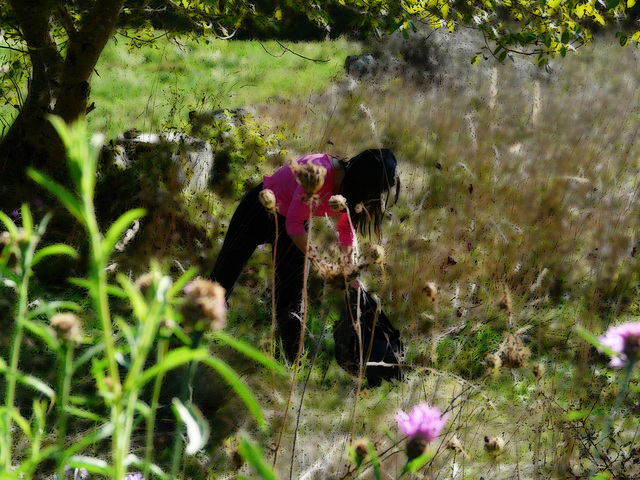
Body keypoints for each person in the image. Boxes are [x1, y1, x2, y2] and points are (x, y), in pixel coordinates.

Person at [211, 148, 399, 360]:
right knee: (221, 281)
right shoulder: (319, 173)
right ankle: (190, 337)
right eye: (374, 191)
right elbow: (293, 224)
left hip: (294, 223)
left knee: (292, 301)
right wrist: (321, 263)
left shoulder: (350, 192)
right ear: (364, 180)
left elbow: (346, 230)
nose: (372, 198)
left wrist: (351, 271)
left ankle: (289, 365)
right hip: (258, 211)